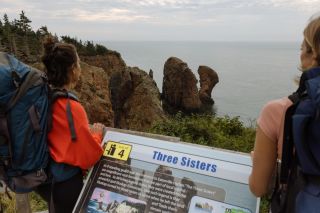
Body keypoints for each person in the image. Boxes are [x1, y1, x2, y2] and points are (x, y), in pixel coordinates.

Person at [249, 14, 320, 198]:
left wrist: (259, 160)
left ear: (312, 55)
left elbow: (258, 187)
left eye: (302, 47)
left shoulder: (279, 111)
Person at [35, 36, 105, 213]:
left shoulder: (41, 96)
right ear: (72, 69)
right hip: (64, 182)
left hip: (43, 178)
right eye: (79, 64)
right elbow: (88, 157)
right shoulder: (70, 107)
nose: (80, 69)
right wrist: (96, 134)